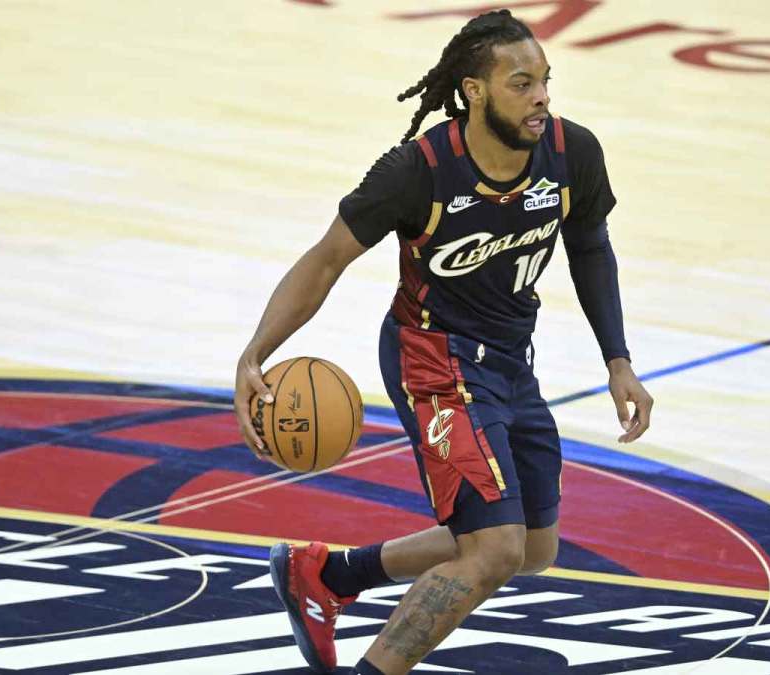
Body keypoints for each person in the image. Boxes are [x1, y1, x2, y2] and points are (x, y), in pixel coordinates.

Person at [233, 10, 654, 674]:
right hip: (433, 358)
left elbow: (591, 247)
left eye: (546, 80)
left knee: (534, 545)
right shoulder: (419, 170)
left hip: (511, 359)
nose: (542, 96)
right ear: (474, 90)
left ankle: (329, 574)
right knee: (490, 550)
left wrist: (618, 359)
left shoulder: (574, 153)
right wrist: (255, 352)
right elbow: (325, 259)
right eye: (522, 83)